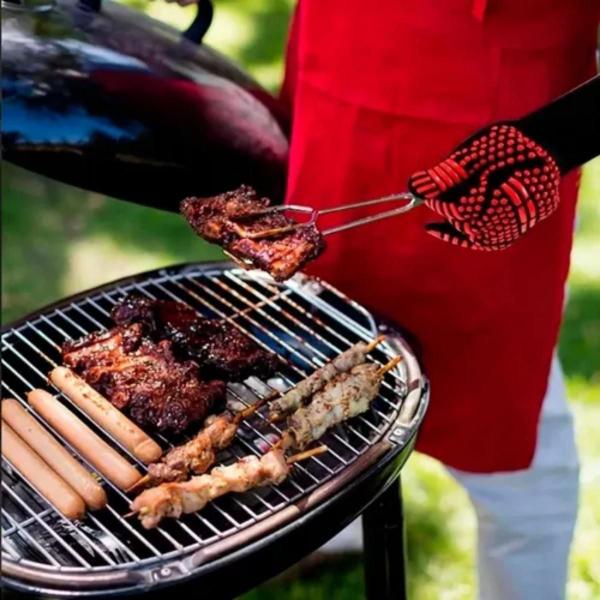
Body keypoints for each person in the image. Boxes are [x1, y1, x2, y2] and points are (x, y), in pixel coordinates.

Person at [178, 1, 599, 598]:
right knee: (321, 343)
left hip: (501, 116)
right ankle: (335, 521)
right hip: (343, 73)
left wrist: (568, 132)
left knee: (518, 449)